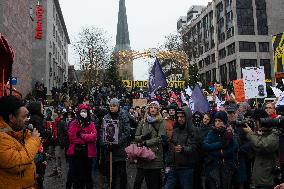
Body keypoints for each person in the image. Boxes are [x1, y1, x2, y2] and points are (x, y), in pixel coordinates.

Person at [0, 96, 41, 189]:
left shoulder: (16, 133)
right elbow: (17, 163)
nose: (27, 119)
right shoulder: (2, 138)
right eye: (24, 116)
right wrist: (34, 141)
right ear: (11, 117)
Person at [243, 109, 279, 189]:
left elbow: (261, 145)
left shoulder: (274, 133)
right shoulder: (263, 132)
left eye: (255, 121)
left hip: (267, 181)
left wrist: (250, 133)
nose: (254, 124)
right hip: (260, 180)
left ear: (259, 121)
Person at [135, 101, 167, 189]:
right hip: (143, 155)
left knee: (154, 184)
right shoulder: (143, 121)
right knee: (138, 182)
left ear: (158, 110)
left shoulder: (161, 122)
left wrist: (146, 142)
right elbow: (136, 136)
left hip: (155, 157)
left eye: (155, 107)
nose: (153, 109)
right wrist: (143, 137)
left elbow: (160, 138)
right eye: (151, 107)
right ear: (148, 109)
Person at [203, 111, 239, 189]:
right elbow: (205, 146)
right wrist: (220, 144)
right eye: (215, 121)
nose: (217, 123)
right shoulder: (211, 133)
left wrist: (220, 153)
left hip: (227, 167)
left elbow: (234, 147)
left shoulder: (230, 133)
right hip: (213, 167)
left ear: (224, 122)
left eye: (219, 121)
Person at [165, 107, 198, 189]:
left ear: (187, 117)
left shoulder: (193, 130)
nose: (179, 119)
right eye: (178, 117)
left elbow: (193, 147)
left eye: (182, 117)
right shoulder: (175, 130)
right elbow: (171, 148)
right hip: (174, 167)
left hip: (186, 168)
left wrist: (182, 149)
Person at [67, 104, 97, 189]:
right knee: (77, 177)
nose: (83, 113)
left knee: (87, 176)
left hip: (88, 153)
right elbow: (72, 138)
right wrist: (87, 138)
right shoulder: (73, 123)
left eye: (85, 111)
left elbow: (94, 137)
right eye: (82, 111)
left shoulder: (91, 124)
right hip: (76, 153)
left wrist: (82, 136)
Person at [103, 98, 130, 189]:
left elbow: (126, 132)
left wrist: (117, 143)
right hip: (109, 149)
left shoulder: (123, 116)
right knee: (111, 173)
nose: (112, 107)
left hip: (120, 149)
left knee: (122, 173)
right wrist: (106, 144)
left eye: (114, 106)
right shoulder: (106, 117)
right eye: (110, 106)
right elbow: (102, 131)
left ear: (118, 107)